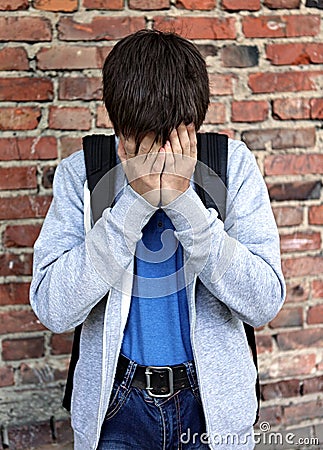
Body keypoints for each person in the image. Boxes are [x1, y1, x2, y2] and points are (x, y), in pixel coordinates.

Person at [30, 29, 286, 450]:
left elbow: (263, 302)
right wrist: (135, 200)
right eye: (144, 140)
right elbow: (53, 308)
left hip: (212, 406)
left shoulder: (231, 167)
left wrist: (184, 201)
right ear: (119, 129)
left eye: (173, 137)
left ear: (194, 125)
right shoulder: (84, 173)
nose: (161, 155)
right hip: (116, 407)